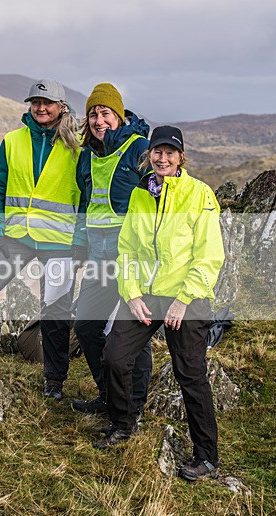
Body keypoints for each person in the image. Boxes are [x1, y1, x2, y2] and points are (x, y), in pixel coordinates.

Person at [93, 126, 225, 483]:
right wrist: (132, 293)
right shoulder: (140, 195)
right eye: (157, 152)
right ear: (149, 155)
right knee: (115, 356)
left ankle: (206, 456)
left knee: (190, 373)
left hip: (187, 296)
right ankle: (123, 424)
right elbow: (128, 250)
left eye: (170, 153)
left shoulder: (200, 194)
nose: (162, 158)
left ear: (182, 157)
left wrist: (184, 301)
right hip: (147, 294)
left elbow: (209, 255)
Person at [0, 79, 82, 401]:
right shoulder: (12, 141)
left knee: (54, 309)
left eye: (47, 103)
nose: (40, 108)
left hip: (58, 241)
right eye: (35, 102)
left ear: (61, 107)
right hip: (14, 237)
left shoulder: (78, 144)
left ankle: (54, 379)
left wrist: (81, 239)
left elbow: (88, 193)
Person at [71, 82, 153, 417]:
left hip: (131, 257)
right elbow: (85, 203)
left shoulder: (140, 149)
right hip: (97, 257)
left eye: (105, 113)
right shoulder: (87, 154)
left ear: (118, 116)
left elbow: (156, 200)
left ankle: (132, 405)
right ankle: (108, 396)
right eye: (93, 114)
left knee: (132, 334)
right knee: (87, 327)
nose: (98, 119)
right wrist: (79, 246)